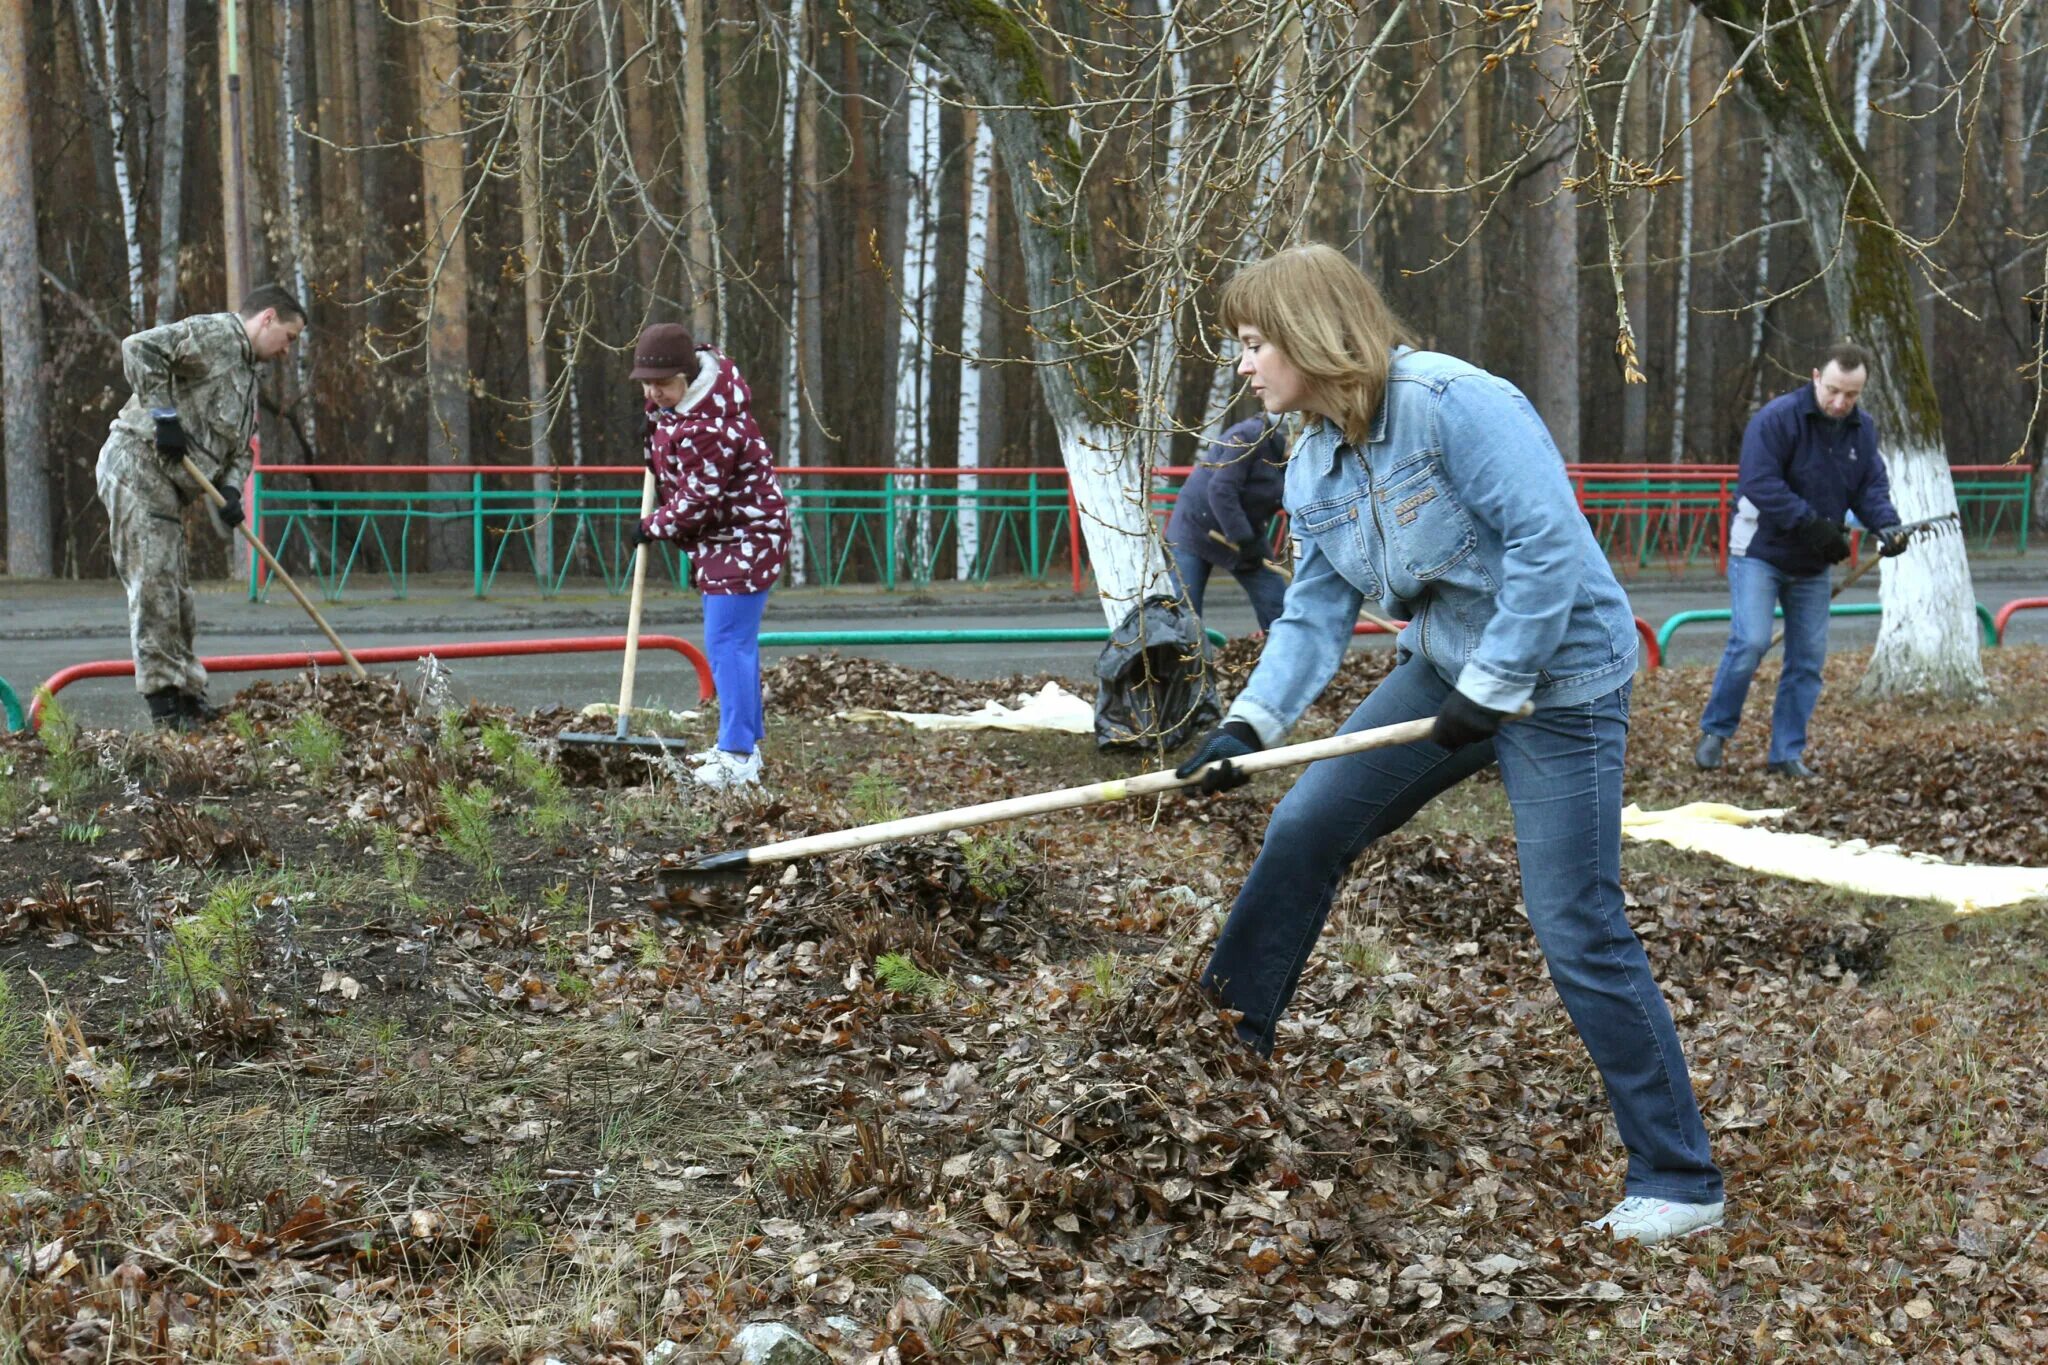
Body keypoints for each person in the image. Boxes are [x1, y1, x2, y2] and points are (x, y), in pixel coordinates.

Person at [1174, 244, 1724, 1246]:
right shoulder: (1310, 463)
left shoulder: (1452, 405)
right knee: (1302, 826)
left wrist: (1497, 686)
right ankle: (1214, 1060)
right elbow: (1310, 616)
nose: (1245, 365)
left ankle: (1678, 1177)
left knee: (1573, 921)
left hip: (1556, 676)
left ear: (1308, 332)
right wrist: (1243, 726)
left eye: (1254, 343)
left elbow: (1546, 543)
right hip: (1448, 672)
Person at [94, 284, 307, 731]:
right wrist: (163, 416)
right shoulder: (216, 335)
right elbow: (139, 348)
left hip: (170, 487)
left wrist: (230, 490)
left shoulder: (249, 375)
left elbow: (240, 450)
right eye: (289, 337)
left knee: (178, 594)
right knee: (154, 585)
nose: (288, 351)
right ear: (267, 318)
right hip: (136, 465)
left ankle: (188, 695)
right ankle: (164, 706)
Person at [1693, 343, 1905, 779]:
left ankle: (1786, 753)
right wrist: (1811, 525)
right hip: (1758, 551)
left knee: (1807, 659)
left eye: (1851, 395)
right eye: (1833, 391)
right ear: (1815, 377)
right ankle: (1716, 731)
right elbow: (1759, 483)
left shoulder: (1861, 431)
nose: (1840, 402)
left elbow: (1870, 487)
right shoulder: (1777, 419)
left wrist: (1888, 526)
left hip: (1812, 561)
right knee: (1751, 641)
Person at [627, 322, 790, 790]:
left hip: (747, 536)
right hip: (725, 540)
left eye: (663, 384)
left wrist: (650, 527)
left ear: (688, 374)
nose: (655, 393)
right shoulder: (684, 408)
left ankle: (736, 755)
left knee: (727, 644)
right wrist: (654, 432)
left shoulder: (709, 425)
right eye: (647, 384)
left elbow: (700, 502)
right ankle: (744, 746)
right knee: (734, 643)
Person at [1165, 417, 1291, 632]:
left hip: (1246, 529)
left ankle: (1286, 661)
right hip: (1196, 528)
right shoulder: (1247, 438)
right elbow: (1221, 489)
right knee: (1185, 614)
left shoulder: (1295, 459)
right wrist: (1243, 538)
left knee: (1277, 605)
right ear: (1284, 434)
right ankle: (1187, 663)